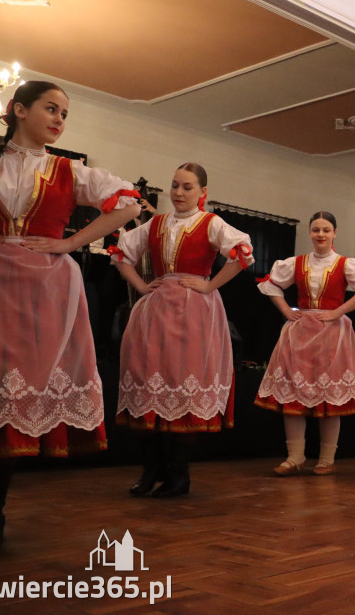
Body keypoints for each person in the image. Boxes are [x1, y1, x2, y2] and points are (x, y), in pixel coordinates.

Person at [0, 81, 140, 549]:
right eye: (50, 109)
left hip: (43, 291)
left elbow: (129, 204)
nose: (59, 119)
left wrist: (71, 243)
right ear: (19, 109)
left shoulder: (69, 171)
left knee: (16, 393)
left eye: (64, 113)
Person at [112, 163, 252, 497]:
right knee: (147, 381)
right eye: (175, 185)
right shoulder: (155, 224)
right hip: (155, 311)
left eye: (187, 187)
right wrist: (142, 287)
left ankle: (178, 473)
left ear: (202, 192)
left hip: (193, 312)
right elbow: (120, 254)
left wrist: (209, 286)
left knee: (181, 382)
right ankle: (151, 469)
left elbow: (242, 253)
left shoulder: (210, 223)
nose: (178, 193)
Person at [255, 211, 355, 476]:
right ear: (310, 233)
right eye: (315, 230)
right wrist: (286, 311)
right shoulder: (297, 263)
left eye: (325, 230)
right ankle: (295, 456)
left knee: (329, 399)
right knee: (292, 396)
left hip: (332, 334)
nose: (320, 235)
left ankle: (326, 458)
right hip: (300, 333)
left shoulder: (345, 264)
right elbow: (270, 285)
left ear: (335, 233)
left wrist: (339, 312)